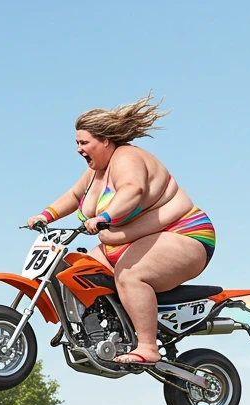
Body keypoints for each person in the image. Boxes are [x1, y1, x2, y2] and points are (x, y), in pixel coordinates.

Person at [26, 95, 215, 366]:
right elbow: (73, 195)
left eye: (84, 142)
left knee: (130, 276)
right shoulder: (95, 171)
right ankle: (95, 332)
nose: (79, 149)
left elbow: (132, 189)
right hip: (127, 241)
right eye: (77, 143)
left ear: (105, 140)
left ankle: (148, 346)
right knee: (75, 273)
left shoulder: (127, 158)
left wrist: (105, 216)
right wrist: (46, 215)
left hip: (184, 233)